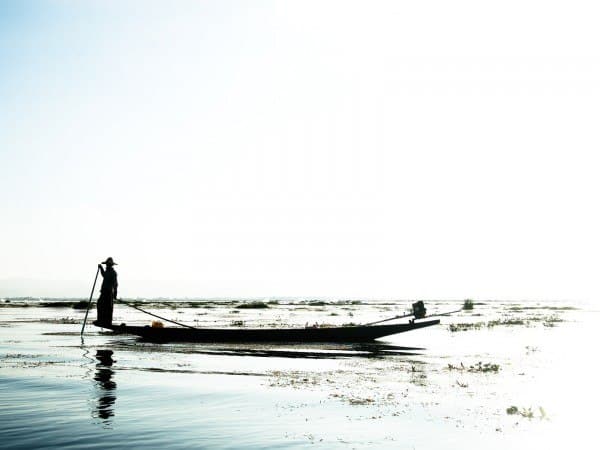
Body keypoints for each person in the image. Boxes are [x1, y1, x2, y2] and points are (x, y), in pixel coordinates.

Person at [96, 257, 118, 326]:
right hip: (103, 292)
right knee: (100, 304)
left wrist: (115, 294)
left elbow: (115, 284)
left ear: (111, 265)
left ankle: (108, 322)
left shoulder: (113, 273)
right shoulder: (107, 272)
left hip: (109, 292)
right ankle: (101, 320)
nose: (107, 266)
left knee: (108, 307)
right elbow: (104, 275)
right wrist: (101, 268)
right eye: (106, 264)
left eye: (108, 265)